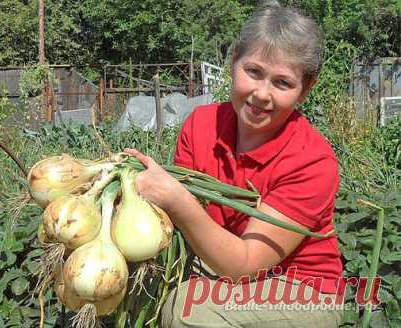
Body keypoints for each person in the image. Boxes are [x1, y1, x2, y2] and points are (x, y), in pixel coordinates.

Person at [125, 2, 343, 327]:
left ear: (306, 88)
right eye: (253, 72)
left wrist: (176, 199)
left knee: (188, 309)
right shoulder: (200, 126)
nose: (261, 94)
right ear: (233, 61)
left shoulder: (312, 161)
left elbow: (245, 264)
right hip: (222, 267)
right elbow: (181, 229)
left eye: (282, 83)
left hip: (299, 286)